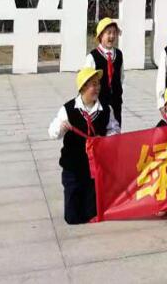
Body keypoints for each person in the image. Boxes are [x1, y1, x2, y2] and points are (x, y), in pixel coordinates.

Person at [48, 67, 120, 225]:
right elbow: (52, 133)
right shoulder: (68, 109)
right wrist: (61, 127)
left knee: (91, 213)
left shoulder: (105, 109)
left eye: (98, 83)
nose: (97, 88)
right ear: (83, 88)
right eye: (93, 84)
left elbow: (114, 129)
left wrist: (106, 139)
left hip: (94, 168)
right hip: (73, 167)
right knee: (72, 218)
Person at [84, 17, 124, 126]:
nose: (112, 36)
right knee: (100, 131)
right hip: (98, 103)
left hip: (116, 103)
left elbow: (121, 76)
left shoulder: (119, 54)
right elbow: (85, 83)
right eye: (108, 33)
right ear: (101, 35)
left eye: (114, 33)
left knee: (116, 130)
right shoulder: (92, 57)